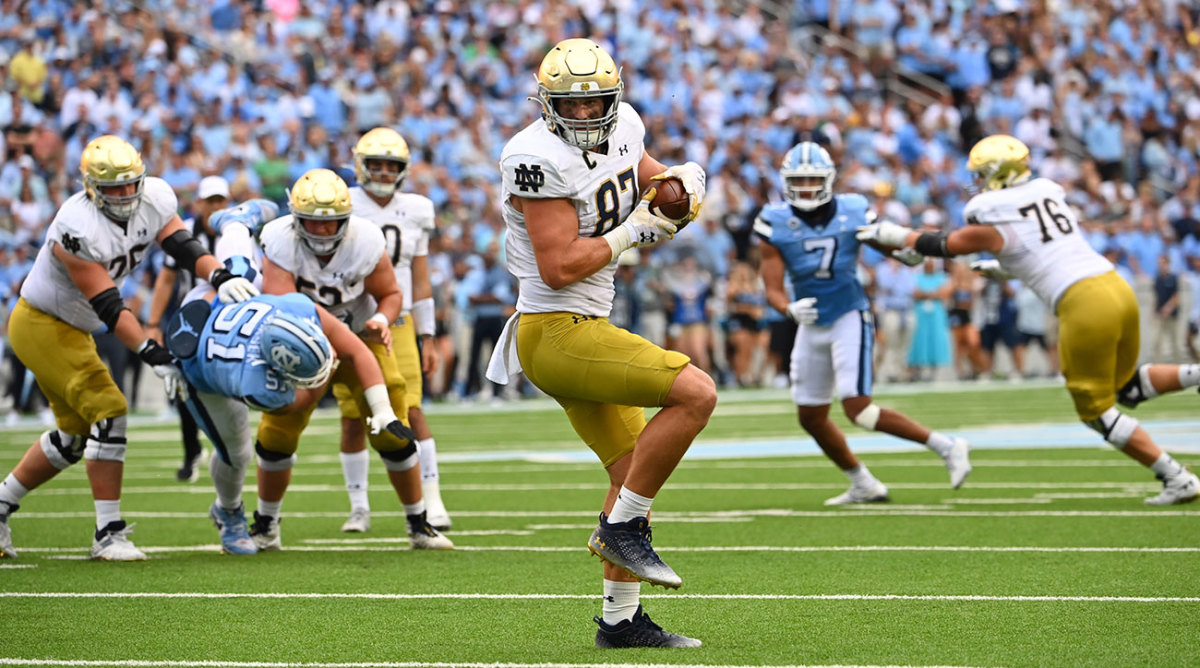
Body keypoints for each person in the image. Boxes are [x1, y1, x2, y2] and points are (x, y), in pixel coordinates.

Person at [485, 39, 716, 648]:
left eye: (596, 105)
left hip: (586, 324)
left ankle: (620, 622)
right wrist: (638, 230)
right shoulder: (532, 156)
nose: (585, 116)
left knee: (632, 474)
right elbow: (560, 267)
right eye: (570, 106)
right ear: (546, 103)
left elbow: (652, 179)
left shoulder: (628, 124)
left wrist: (677, 186)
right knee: (696, 393)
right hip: (556, 329)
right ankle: (621, 533)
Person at [857, 134, 1200, 504]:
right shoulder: (1044, 194)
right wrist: (1010, 269)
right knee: (1126, 387)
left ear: (998, 174)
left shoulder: (993, 213)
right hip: (1115, 286)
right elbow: (1041, 250)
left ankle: (1176, 477)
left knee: (1097, 413)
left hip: (1084, 303)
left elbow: (944, 245)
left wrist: (891, 233)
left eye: (981, 174)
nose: (976, 182)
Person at [0, 135, 258, 560]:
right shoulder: (74, 226)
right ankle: (108, 533)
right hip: (42, 323)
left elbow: (185, 248)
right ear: (91, 188)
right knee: (110, 411)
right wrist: (154, 355)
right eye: (113, 189)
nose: (124, 195)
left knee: (72, 439)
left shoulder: (155, 196)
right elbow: (109, 306)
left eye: (129, 184)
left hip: (72, 326)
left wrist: (221, 277)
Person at [757, 141, 971, 506]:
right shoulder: (774, 221)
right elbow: (773, 288)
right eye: (799, 181)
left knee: (859, 409)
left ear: (828, 180)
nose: (807, 188)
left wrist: (908, 254)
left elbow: (894, 250)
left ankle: (946, 445)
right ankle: (863, 482)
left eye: (813, 180)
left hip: (848, 314)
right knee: (810, 415)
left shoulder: (854, 210)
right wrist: (789, 309)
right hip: (811, 322)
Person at [259, 167, 451, 549]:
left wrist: (381, 318)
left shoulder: (364, 239)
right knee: (279, 425)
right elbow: (282, 305)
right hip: (302, 340)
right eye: (312, 223)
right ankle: (265, 523)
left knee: (392, 424)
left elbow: (391, 293)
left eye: (331, 224)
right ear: (296, 219)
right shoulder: (279, 240)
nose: (323, 232)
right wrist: (339, 336)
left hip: (363, 334)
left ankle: (418, 522)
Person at [166, 290, 424, 555]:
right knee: (237, 453)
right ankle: (228, 512)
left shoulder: (298, 307)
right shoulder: (259, 386)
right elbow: (298, 402)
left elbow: (358, 350)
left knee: (233, 284)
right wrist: (328, 370)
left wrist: (382, 409)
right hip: (200, 371)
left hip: (221, 322)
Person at [339, 127, 451, 533]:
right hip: (350, 320)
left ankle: (432, 500)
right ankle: (359, 506)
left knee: (413, 410)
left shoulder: (418, 208)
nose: (384, 172)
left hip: (399, 319)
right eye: (376, 164)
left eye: (392, 165)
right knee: (353, 417)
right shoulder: (344, 201)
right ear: (360, 165)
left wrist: (429, 336)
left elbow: (420, 279)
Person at [146, 175, 235, 483]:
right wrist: (154, 323)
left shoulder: (235, 233)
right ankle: (191, 451)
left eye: (220, 201)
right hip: (189, 322)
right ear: (199, 203)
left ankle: (231, 449)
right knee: (184, 388)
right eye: (210, 201)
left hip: (228, 321)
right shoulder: (182, 232)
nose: (215, 207)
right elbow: (166, 279)